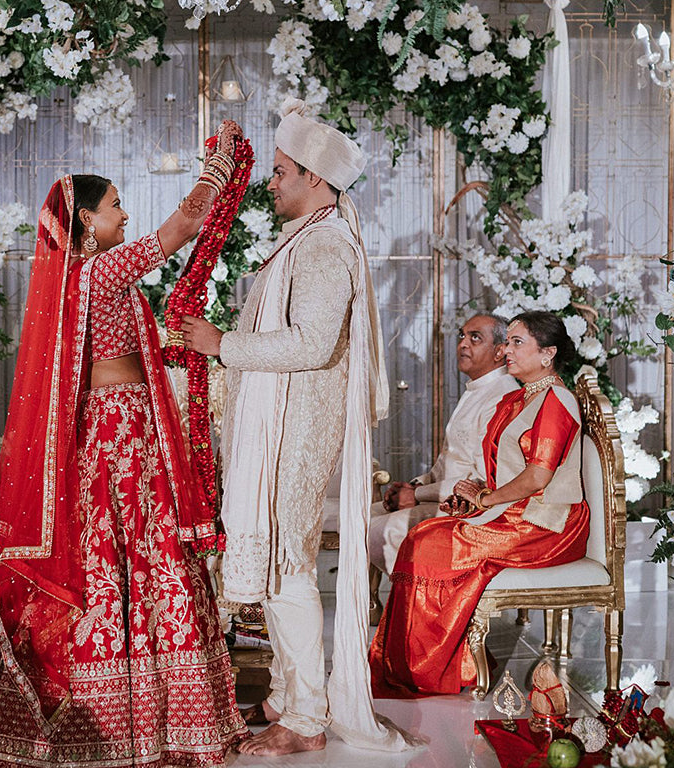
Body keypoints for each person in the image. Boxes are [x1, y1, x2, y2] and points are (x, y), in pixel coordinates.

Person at [0, 122, 249, 767]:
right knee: (133, 555)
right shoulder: (97, 272)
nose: (125, 214)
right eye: (114, 206)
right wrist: (217, 173)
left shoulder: (94, 282)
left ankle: (153, 712)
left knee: (142, 558)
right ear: (85, 220)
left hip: (130, 424)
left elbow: (129, 347)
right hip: (118, 434)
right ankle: (127, 717)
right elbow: (177, 231)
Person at [182, 99, 417, 757]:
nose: (273, 183)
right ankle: (289, 695)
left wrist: (221, 344)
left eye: (282, 171)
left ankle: (306, 719)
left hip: (297, 431)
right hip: (284, 427)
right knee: (283, 564)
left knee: (287, 569)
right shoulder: (309, 238)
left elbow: (313, 343)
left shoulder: (323, 246)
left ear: (316, 178)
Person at [369, 310, 590, 699]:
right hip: (515, 513)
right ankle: (414, 661)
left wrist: (486, 498)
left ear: (547, 353)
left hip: (545, 523)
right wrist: (474, 493)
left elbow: (538, 476)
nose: (507, 350)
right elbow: (500, 466)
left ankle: (444, 667)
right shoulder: (523, 397)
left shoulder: (556, 400)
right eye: (508, 342)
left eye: (517, 342)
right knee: (423, 535)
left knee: (430, 545)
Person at [368, 313, 518, 573]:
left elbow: (483, 481)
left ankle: (417, 607)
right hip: (441, 494)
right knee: (362, 517)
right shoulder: (478, 388)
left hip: (470, 508)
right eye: (462, 335)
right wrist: (414, 486)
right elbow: (450, 463)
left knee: (380, 530)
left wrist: (414, 495)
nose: (462, 344)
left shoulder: (501, 395)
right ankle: (383, 606)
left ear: (499, 351)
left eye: (475, 338)